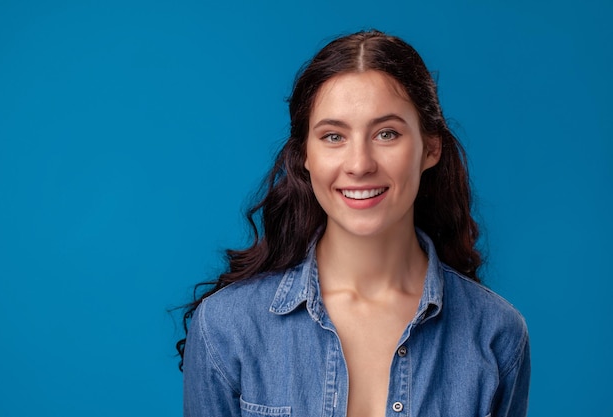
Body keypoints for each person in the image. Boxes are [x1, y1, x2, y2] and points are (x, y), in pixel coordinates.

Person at [178, 30, 530, 417]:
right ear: (305, 155)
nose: (360, 164)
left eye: (386, 133)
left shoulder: (497, 334)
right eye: (333, 136)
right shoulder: (226, 327)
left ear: (431, 148)